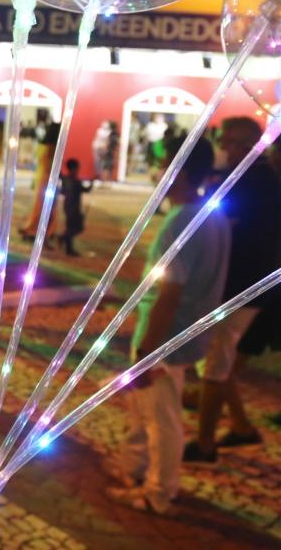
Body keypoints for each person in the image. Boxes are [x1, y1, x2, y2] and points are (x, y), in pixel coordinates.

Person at [105, 136, 230, 514]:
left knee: (162, 419)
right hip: (185, 334)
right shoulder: (214, 215)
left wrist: (147, 352)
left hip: (165, 339)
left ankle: (158, 492)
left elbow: (169, 294)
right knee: (145, 411)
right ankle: (134, 469)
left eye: (163, 166)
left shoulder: (178, 224)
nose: (158, 174)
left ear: (181, 173)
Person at [184, 117, 281, 463]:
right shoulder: (259, 178)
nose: (222, 148)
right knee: (220, 364)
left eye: (226, 142)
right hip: (250, 285)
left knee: (214, 366)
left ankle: (204, 445)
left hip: (238, 288)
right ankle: (242, 428)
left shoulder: (250, 182)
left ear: (243, 145)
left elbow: (217, 228)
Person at [20, 123, 60, 241]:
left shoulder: (42, 145)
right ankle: (38, 230)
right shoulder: (52, 148)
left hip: (41, 177)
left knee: (39, 205)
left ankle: (34, 228)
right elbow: (50, 166)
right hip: (48, 179)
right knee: (46, 206)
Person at [60, 158, 92, 257]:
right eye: (77, 168)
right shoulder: (75, 181)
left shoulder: (66, 179)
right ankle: (67, 245)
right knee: (76, 228)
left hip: (67, 206)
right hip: (74, 208)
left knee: (71, 227)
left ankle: (65, 242)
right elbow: (86, 190)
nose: (78, 170)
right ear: (73, 168)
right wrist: (92, 181)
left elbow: (62, 191)